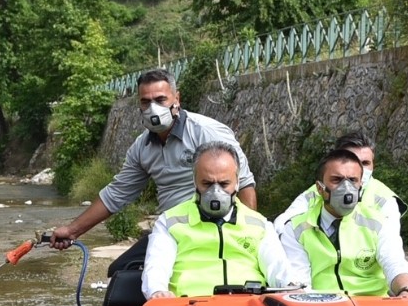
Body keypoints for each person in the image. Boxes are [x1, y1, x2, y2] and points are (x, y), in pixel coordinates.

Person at [47, 69, 257, 250]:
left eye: (160, 100)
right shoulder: (142, 147)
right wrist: (73, 230)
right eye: (146, 102)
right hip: (170, 231)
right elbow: (117, 193)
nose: (153, 108)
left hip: (214, 228)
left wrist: (249, 238)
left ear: (177, 99)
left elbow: (244, 183)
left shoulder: (207, 133)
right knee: (121, 273)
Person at [143, 143, 298, 299]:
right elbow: (157, 267)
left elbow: (278, 269)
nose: (215, 192)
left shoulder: (259, 225)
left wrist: (292, 286)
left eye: (224, 184)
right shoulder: (170, 222)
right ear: (194, 181)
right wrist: (157, 291)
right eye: (207, 184)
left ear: (237, 182)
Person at [274, 148, 408, 298]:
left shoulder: (379, 224)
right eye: (337, 180)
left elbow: (395, 263)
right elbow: (300, 284)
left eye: (353, 180)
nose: (346, 188)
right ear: (319, 188)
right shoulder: (296, 229)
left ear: (360, 185)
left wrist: (405, 291)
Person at [332, 132, 405, 217]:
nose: (360, 169)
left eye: (365, 163)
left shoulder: (386, 203)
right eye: (353, 161)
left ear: (373, 165)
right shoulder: (316, 192)